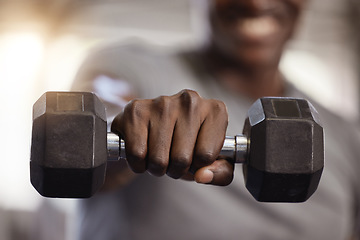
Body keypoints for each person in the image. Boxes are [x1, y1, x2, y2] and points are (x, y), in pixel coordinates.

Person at [72, 0, 360, 239]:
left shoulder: (343, 134)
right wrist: (122, 128)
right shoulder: (131, 68)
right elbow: (95, 113)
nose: (255, 3)